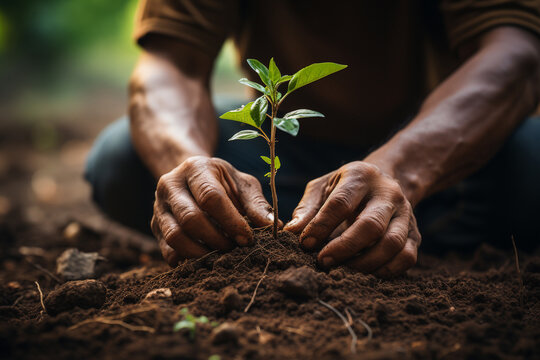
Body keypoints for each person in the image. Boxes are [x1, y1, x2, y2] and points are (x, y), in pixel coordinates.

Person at [85, 1, 540, 276]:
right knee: (122, 159)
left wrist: (401, 170)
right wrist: (188, 166)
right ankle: (350, 235)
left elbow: (514, 56)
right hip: (284, 165)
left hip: (439, 151)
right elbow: (170, 65)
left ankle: (386, 218)